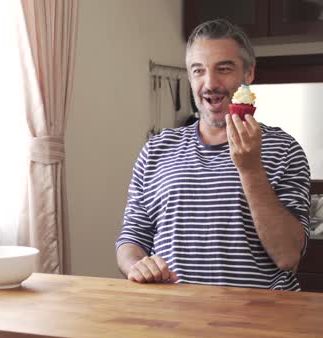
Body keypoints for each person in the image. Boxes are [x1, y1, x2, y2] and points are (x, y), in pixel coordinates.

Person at [115, 19, 310, 291]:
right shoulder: (156, 149)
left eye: (224, 69)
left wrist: (250, 169)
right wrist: (137, 265)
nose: (210, 83)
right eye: (198, 71)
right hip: (174, 318)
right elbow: (131, 238)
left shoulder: (285, 149)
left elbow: (288, 256)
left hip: (259, 320)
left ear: (249, 73)